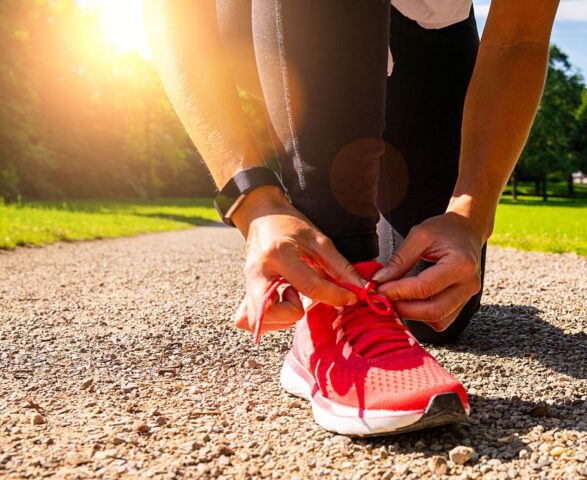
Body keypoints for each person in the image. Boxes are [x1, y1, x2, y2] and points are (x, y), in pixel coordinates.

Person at [145, 0, 559, 436]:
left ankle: (358, 225)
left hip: (426, 31)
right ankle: (328, 312)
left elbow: (520, 37)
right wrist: (254, 201)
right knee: (353, 275)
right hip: (275, 25)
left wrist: (469, 216)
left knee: (431, 311)